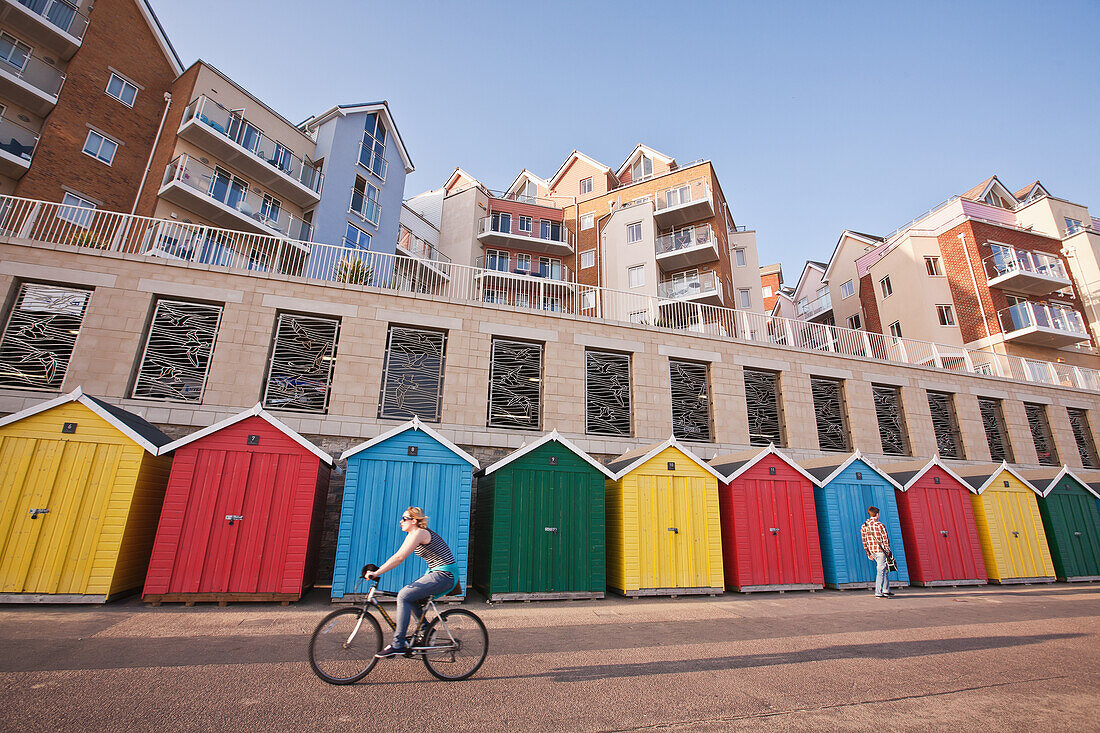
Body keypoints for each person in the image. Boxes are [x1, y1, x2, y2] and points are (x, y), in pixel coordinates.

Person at [366, 507, 458, 658]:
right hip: (436, 573)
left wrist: (377, 573)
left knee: (403, 595)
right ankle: (427, 631)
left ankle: (398, 644)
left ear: (414, 521)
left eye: (404, 519)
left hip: (444, 575)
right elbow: (397, 555)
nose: (400, 522)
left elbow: (399, 558)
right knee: (410, 596)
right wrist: (379, 569)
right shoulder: (413, 534)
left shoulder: (420, 533)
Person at [861, 505, 894, 598]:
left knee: (884, 570)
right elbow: (885, 540)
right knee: (881, 571)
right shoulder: (880, 525)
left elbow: (864, 540)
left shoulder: (864, 526)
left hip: (873, 552)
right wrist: (888, 552)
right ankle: (878, 593)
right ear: (877, 514)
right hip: (881, 551)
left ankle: (886, 590)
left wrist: (868, 553)